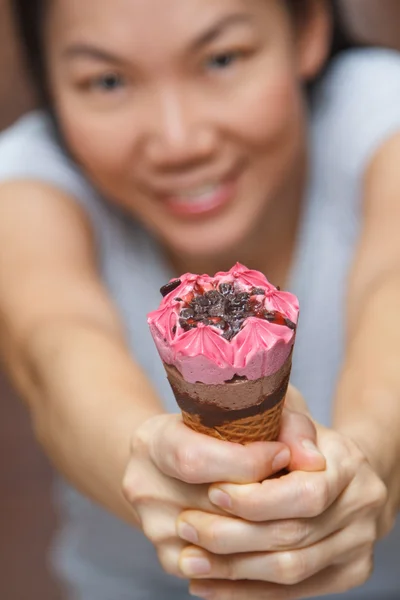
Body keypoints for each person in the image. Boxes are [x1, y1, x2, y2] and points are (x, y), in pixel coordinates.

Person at [0, 0, 400, 598]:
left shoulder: (379, 112)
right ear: (50, 85)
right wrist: (155, 469)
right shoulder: (26, 185)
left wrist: (367, 456)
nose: (179, 140)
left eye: (221, 58)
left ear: (309, 28)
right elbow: (54, 348)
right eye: (107, 81)